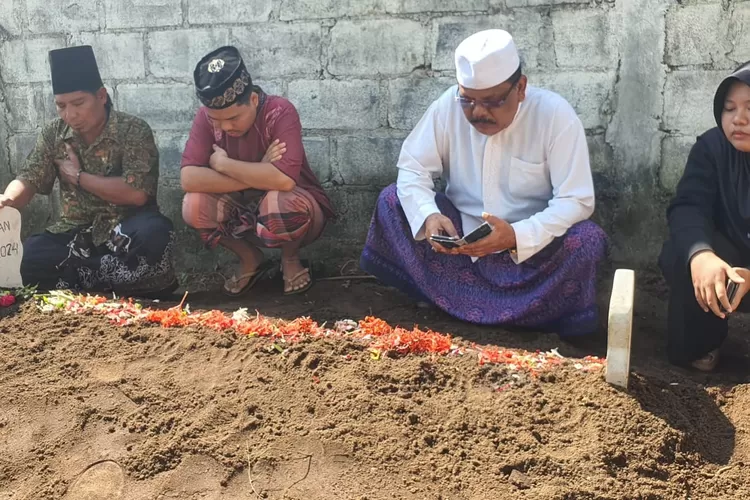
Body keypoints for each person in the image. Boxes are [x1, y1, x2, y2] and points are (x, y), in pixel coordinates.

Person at [360, 29, 608, 335]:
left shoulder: (555, 115)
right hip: (461, 249)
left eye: (492, 101)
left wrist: (517, 236)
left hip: (531, 248)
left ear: (521, 87)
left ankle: (454, 303)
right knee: (392, 201)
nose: (478, 112)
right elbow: (412, 168)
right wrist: (430, 215)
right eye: (468, 101)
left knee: (588, 241)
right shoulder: (447, 106)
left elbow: (577, 199)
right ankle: (465, 301)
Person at [0, 46, 176, 297]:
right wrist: (7, 199)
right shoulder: (54, 134)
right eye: (61, 105)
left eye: (78, 103)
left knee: (155, 234)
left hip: (124, 231)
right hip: (75, 234)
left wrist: (79, 177)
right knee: (27, 258)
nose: (70, 114)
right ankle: (109, 279)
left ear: (102, 96)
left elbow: (136, 194)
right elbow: (29, 176)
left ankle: (85, 278)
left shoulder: (133, 130)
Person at [181, 46, 334, 297]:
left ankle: (290, 258)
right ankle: (250, 258)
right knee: (193, 205)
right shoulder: (205, 118)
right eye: (216, 120)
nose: (224, 126)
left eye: (233, 118)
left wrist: (223, 165)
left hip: (295, 209)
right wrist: (259, 171)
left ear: (252, 100)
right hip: (242, 207)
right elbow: (189, 179)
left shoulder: (279, 112)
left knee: (278, 201)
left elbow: (283, 181)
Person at [659, 61, 750, 372]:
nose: (739, 119)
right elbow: (689, 206)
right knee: (680, 251)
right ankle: (701, 342)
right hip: (729, 268)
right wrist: (702, 256)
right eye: (729, 108)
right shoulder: (711, 148)